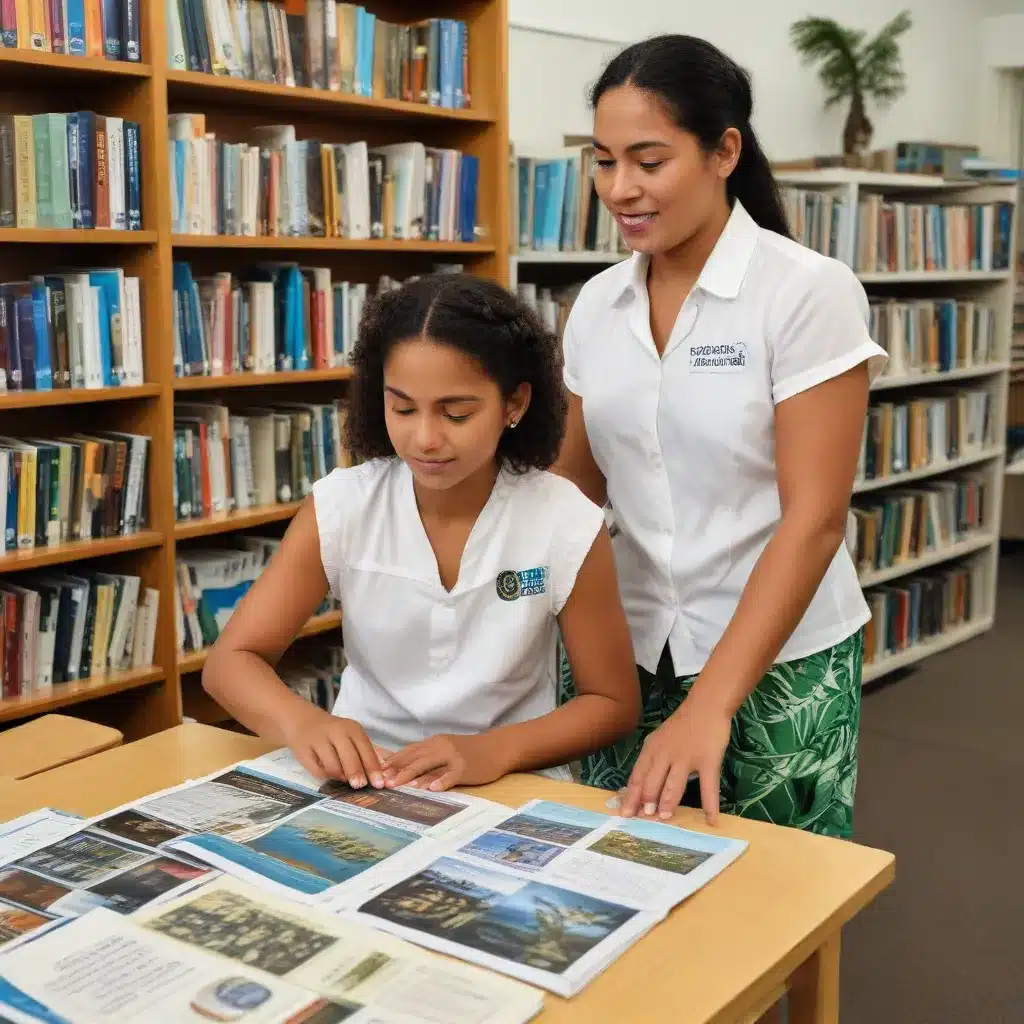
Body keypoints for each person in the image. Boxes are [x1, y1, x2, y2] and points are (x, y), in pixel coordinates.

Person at [554, 34, 888, 839]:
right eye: (603, 162)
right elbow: (568, 497)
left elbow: (813, 522)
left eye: (648, 160)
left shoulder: (805, 292)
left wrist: (709, 706)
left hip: (778, 658)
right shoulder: (597, 305)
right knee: (614, 876)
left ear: (723, 151)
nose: (620, 188)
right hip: (629, 653)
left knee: (774, 900)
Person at [203, 272, 640, 794]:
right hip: (363, 780)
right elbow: (231, 662)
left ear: (515, 404)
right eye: (403, 408)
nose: (425, 438)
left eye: (456, 413)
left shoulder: (565, 520)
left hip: (507, 783)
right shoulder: (343, 506)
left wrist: (495, 749)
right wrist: (304, 724)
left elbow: (611, 704)